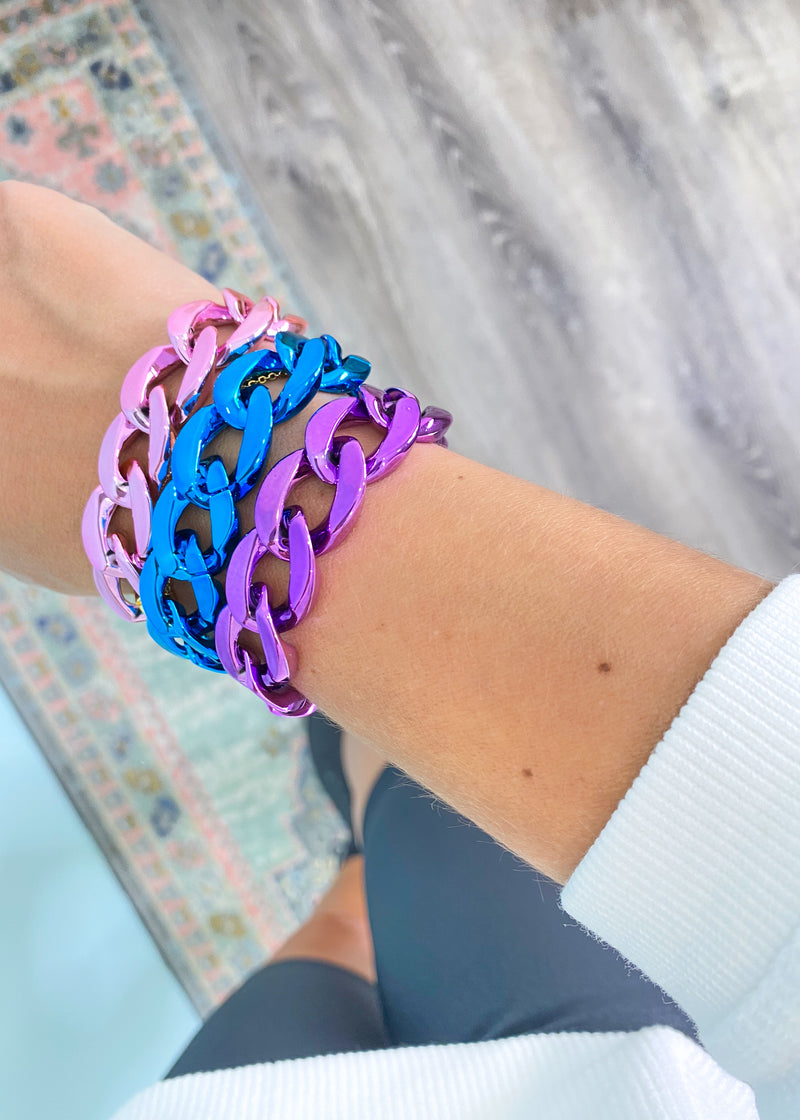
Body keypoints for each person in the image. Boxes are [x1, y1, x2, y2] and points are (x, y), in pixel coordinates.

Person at [2, 180, 796, 1119]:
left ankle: (354, 881)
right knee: (404, 793)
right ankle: (360, 852)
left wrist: (196, 450)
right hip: (628, 1077)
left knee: (351, 909)